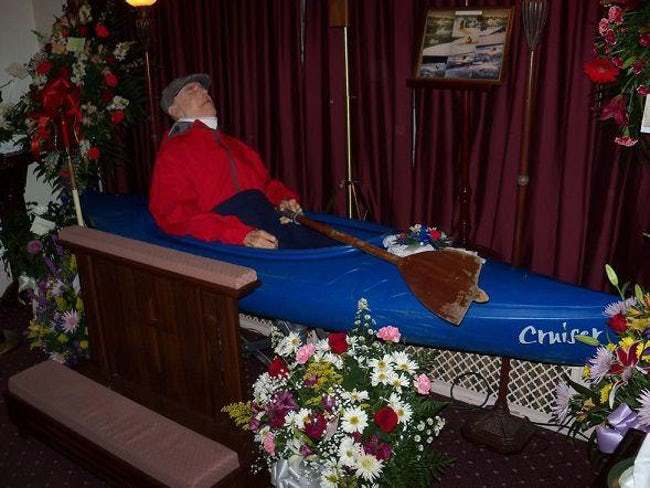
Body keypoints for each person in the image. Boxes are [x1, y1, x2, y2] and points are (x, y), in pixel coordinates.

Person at [149, 74, 334, 249]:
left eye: (204, 89)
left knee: (334, 247)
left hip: (267, 219)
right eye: (192, 90)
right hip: (234, 234)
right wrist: (237, 234)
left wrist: (284, 200)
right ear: (173, 110)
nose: (204, 92)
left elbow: (266, 185)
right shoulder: (173, 151)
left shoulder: (237, 145)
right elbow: (173, 214)